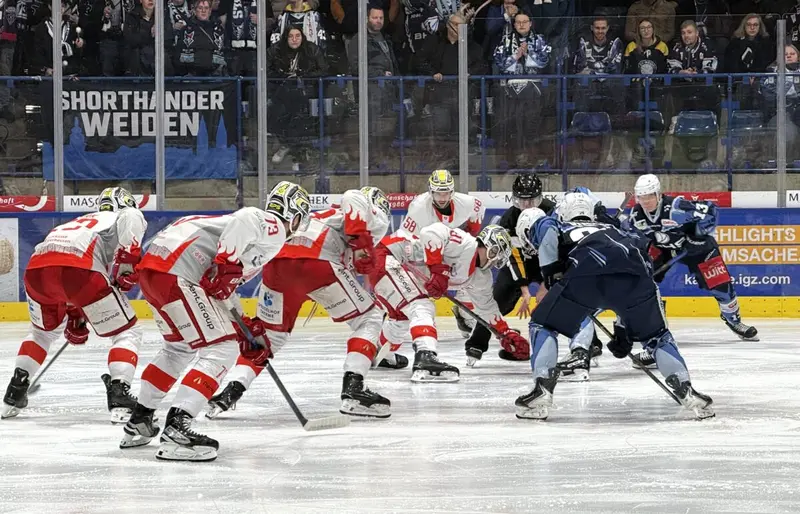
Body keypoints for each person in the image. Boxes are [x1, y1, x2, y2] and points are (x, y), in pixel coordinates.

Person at [120, 181, 311, 462]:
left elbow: (219, 288)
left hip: (155, 272)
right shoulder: (274, 228)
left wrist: (243, 323)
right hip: (178, 272)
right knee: (222, 350)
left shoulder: (221, 226)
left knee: (178, 348)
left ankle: (139, 421)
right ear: (294, 215)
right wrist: (227, 263)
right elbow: (247, 219)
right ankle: (177, 429)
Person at [207, 187, 393, 420]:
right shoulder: (373, 214)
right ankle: (354, 387)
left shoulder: (319, 216)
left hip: (278, 265)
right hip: (317, 263)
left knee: (269, 338)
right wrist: (362, 241)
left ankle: (230, 391)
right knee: (370, 317)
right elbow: (351, 196)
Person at [514, 207, 715, 421]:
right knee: (657, 337)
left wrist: (551, 273)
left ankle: (542, 389)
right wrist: (623, 330)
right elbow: (640, 253)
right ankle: (687, 390)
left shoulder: (549, 224)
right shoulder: (610, 227)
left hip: (586, 273)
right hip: (636, 276)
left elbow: (546, 229)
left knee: (542, 325)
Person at [2, 187, 146, 423]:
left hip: (37, 272)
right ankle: (120, 394)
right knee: (127, 332)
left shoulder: (80, 221)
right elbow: (131, 218)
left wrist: (75, 315)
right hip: (78, 270)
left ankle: (14, 392)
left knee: (40, 334)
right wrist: (128, 267)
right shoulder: (125, 215)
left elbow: (62, 276)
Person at [628, 174, 758, 364]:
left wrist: (696, 236)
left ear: (658, 193)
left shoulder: (677, 207)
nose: (646, 201)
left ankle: (734, 320)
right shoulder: (636, 216)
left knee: (721, 286)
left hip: (698, 248)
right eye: (641, 197)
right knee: (644, 287)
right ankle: (654, 342)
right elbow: (634, 237)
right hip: (664, 250)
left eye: (649, 196)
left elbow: (711, 211)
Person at [372, 224, 528, 381]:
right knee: (420, 305)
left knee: (401, 318)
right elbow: (430, 232)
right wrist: (438, 269)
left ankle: (378, 353)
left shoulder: (481, 276)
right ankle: (426, 356)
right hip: (388, 255)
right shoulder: (464, 243)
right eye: (497, 255)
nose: (495, 262)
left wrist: (505, 332)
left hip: (397, 268)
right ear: (491, 247)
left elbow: (487, 307)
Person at [463, 172, 554, 364]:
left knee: (568, 295)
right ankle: (476, 344)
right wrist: (524, 290)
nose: (527, 205)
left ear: (540, 198)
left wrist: (547, 283)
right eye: (522, 200)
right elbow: (514, 257)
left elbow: (558, 253)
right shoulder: (508, 220)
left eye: (532, 200)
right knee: (497, 300)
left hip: (547, 263)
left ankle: (586, 345)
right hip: (518, 264)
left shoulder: (552, 213)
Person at [399, 169, 486, 350]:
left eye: (445, 192)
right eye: (438, 192)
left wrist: (466, 243)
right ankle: (416, 324)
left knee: (471, 273)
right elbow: (406, 239)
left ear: (452, 191)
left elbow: (476, 218)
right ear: (431, 191)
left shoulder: (468, 203)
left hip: (450, 244)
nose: (442, 197)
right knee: (418, 290)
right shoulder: (418, 207)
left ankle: (465, 316)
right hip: (425, 249)